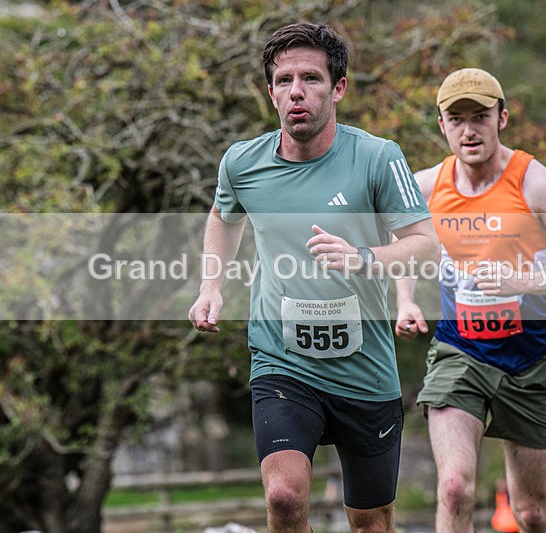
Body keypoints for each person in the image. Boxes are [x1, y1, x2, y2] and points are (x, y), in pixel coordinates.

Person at [188, 23, 439, 533]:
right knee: (283, 497)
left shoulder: (377, 157)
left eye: (310, 78)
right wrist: (210, 287)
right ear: (270, 92)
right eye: (283, 81)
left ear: (338, 87)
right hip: (282, 361)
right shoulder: (242, 162)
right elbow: (223, 216)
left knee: (369, 521)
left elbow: (427, 245)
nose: (295, 91)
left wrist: (363, 257)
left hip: (364, 370)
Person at [394, 68, 546, 533]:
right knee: (454, 488)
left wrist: (525, 280)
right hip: (459, 351)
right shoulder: (426, 187)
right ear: (442, 125)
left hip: (528, 360)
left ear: (502, 118)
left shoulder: (537, 185)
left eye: (480, 117)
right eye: (457, 119)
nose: (469, 130)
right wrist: (405, 301)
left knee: (531, 511)